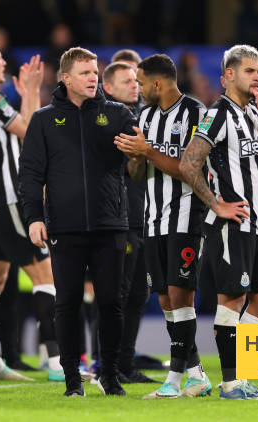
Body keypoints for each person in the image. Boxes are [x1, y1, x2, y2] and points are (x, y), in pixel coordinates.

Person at [19, 47, 137, 397]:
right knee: (66, 303)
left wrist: (140, 150)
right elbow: (30, 174)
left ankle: (111, 375)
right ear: (66, 78)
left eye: (95, 72)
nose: (93, 78)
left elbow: (140, 158)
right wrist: (34, 218)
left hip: (110, 224)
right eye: (85, 73)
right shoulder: (43, 119)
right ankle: (73, 380)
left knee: (111, 303)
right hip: (64, 228)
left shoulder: (118, 114)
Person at [180, 44, 258, 399]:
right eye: (249, 71)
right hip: (231, 225)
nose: (257, 77)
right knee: (233, 298)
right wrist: (218, 205)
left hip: (257, 225)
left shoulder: (254, 114)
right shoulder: (218, 115)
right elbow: (188, 164)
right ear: (228, 75)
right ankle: (231, 382)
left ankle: (239, 376)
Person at [0, 40, 62, 381]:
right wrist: (31, 91)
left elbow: (22, 134)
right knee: (46, 278)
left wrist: (29, 95)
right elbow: (31, 135)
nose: (3, 63)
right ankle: (56, 361)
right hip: (8, 199)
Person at [114, 54, 212, 398]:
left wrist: (148, 150)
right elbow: (138, 175)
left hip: (187, 215)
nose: (137, 90)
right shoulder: (145, 116)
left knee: (181, 295)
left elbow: (191, 168)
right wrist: (135, 158)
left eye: (140, 83)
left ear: (158, 83)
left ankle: (173, 380)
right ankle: (197, 374)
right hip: (152, 219)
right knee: (167, 299)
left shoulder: (197, 113)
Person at [102, 59, 154, 384]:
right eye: (126, 81)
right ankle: (107, 364)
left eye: (136, 80)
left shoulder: (142, 118)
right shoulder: (105, 122)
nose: (134, 85)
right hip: (120, 219)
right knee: (118, 295)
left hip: (145, 217)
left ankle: (125, 363)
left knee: (138, 295)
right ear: (108, 88)